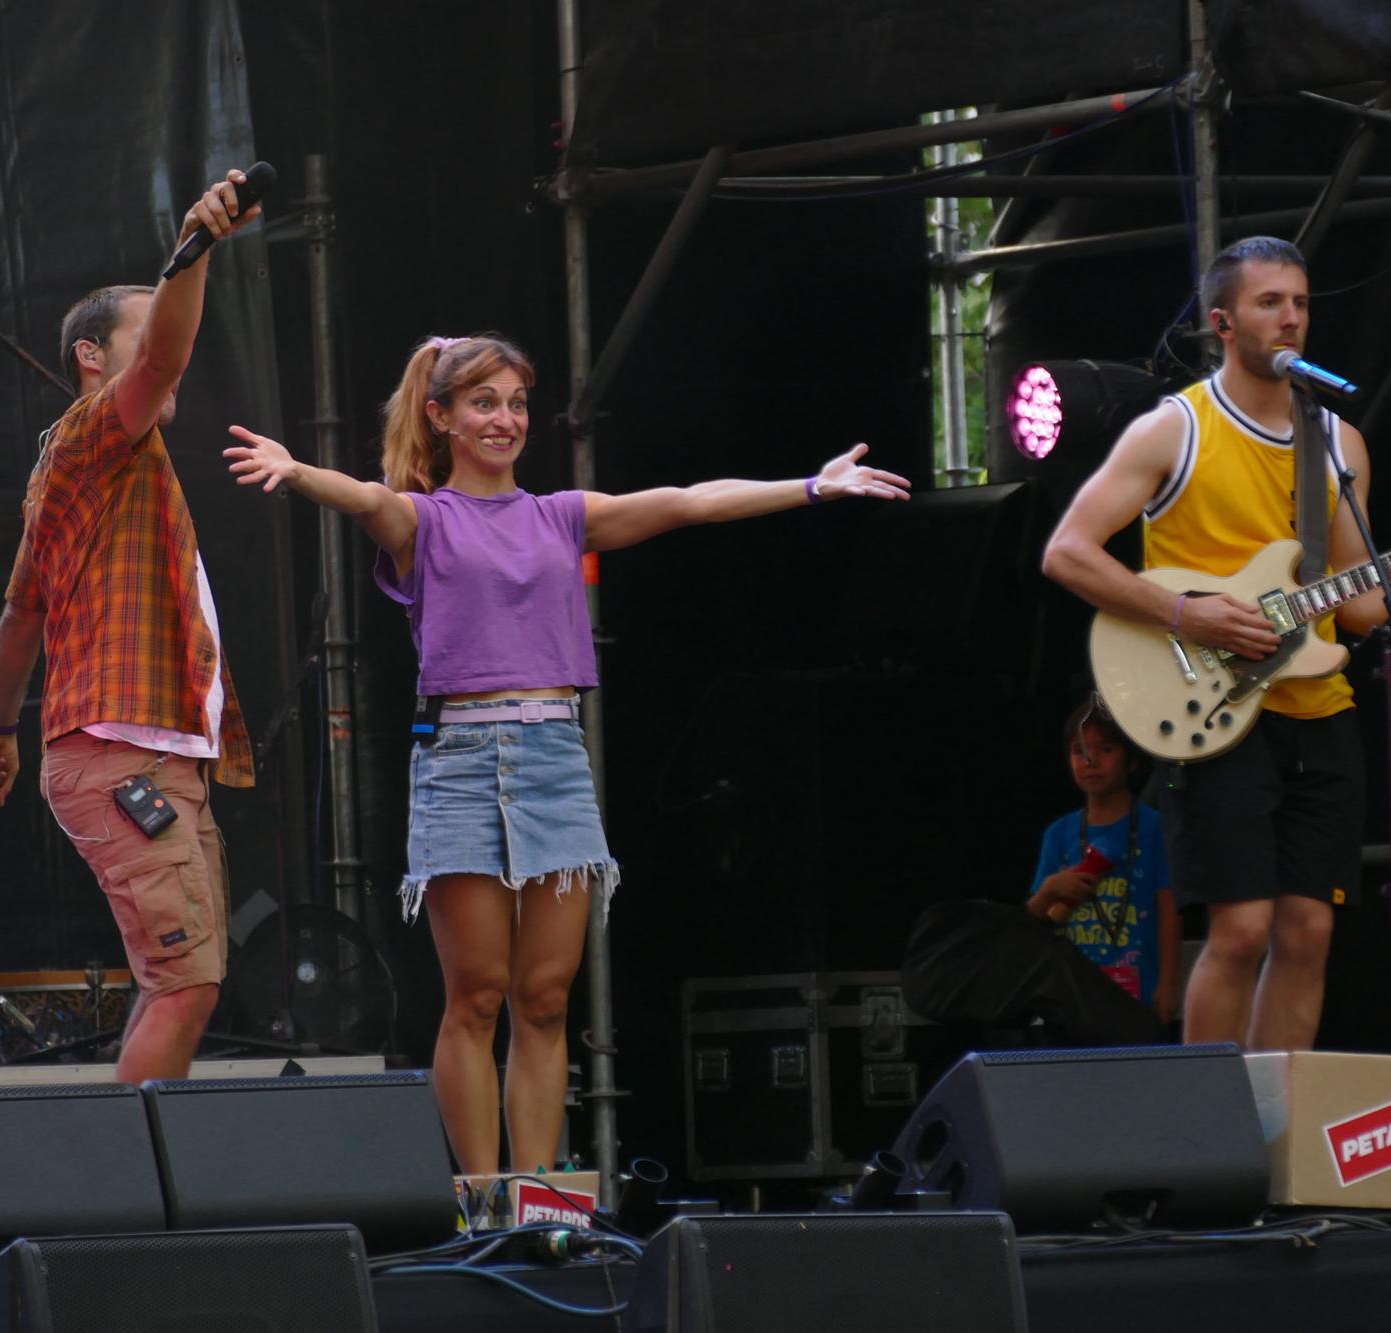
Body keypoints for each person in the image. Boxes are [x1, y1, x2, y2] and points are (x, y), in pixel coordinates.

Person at [222, 333, 909, 1174]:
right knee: (475, 994)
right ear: (440, 416)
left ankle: (540, 1195)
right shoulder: (425, 520)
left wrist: (811, 486)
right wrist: (295, 471)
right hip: (462, 761)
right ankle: (482, 1198)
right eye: (484, 402)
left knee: (543, 998)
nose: (505, 418)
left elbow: (689, 501)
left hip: (553, 757)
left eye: (515, 402)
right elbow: (365, 498)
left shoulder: (561, 515)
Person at [1040, 236, 1391, 1052]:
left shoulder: (1338, 441)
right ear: (1223, 322)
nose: (1291, 317)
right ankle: (1205, 1136)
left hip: (1318, 706)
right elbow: (1067, 551)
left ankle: (1275, 1141)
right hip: (1214, 705)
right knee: (1242, 930)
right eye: (1270, 303)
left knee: (1308, 933)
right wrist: (1187, 615)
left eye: (1300, 302)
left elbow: (1361, 604)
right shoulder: (1173, 429)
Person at [0, 168, 263, 1083]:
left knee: (177, 977)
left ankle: (132, 1191)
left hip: (147, 750)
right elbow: (163, 361)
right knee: (187, 985)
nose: (171, 354)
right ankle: (127, 1203)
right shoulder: (97, 430)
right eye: (144, 328)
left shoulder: (78, 470)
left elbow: (20, 613)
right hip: (122, 750)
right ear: (95, 356)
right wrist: (195, 249)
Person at [1026, 696, 1180, 1026]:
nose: (1090, 760)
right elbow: (1032, 918)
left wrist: (1169, 983)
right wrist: (1052, 888)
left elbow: (1168, 908)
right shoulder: (1059, 833)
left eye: (1106, 750)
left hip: (1139, 988)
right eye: (1079, 751)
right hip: (1073, 996)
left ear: (1132, 760)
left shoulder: (1154, 828)